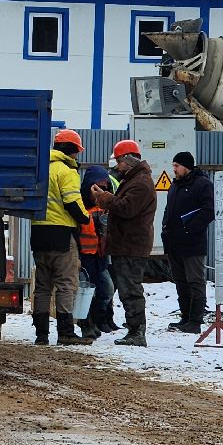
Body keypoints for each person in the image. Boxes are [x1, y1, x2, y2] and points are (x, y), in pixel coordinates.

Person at [28, 128, 93, 346]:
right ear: (71, 150)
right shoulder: (66, 172)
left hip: (38, 234)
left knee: (43, 287)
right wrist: (85, 218)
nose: (77, 156)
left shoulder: (41, 169)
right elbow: (72, 203)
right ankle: (66, 332)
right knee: (66, 284)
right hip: (62, 236)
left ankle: (41, 335)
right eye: (76, 151)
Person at [88, 139, 156, 347]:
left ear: (128, 160)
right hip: (128, 244)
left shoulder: (141, 183)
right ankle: (134, 329)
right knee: (128, 288)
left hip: (131, 246)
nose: (117, 166)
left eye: (119, 161)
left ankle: (137, 332)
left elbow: (126, 208)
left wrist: (104, 198)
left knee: (130, 289)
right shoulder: (135, 180)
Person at [162, 150, 214, 333]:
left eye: (177, 166)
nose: (174, 169)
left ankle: (195, 320)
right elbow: (168, 211)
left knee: (195, 281)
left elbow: (208, 212)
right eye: (173, 166)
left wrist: (189, 228)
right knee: (180, 282)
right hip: (174, 243)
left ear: (186, 166)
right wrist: (165, 231)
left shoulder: (203, 184)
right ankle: (185, 317)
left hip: (193, 244)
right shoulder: (175, 186)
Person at [78, 164, 116, 339]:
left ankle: (98, 319)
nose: (102, 189)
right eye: (98, 185)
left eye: (105, 186)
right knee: (86, 293)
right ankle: (87, 324)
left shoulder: (105, 206)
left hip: (99, 258)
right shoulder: (80, 205)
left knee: (106, 290)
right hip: (84, 258)